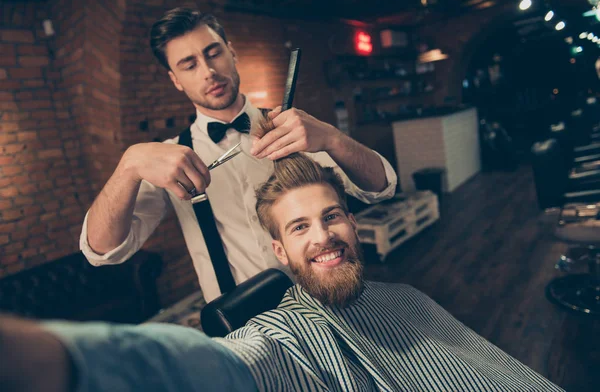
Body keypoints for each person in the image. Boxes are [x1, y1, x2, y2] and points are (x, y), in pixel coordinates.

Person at [1, 149, 563, 392]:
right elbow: (208, 366)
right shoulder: (282, 339)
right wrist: (55, 361)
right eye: (299, 228)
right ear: (279, 249)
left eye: (332, 217)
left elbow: (381, 183)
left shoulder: (407, 296)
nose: (321, 235)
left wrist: (330, 139)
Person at [80, 7, 397, 302]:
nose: (208, 72)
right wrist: (129, 166)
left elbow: (381, 187)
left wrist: (333, 138)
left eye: (213, 53)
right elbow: (102, 251)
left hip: (325, 299)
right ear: (175, 80)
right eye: (189, 65)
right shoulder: (171, 159)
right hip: (243, 325)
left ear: (231, 52)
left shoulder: (293, 128)